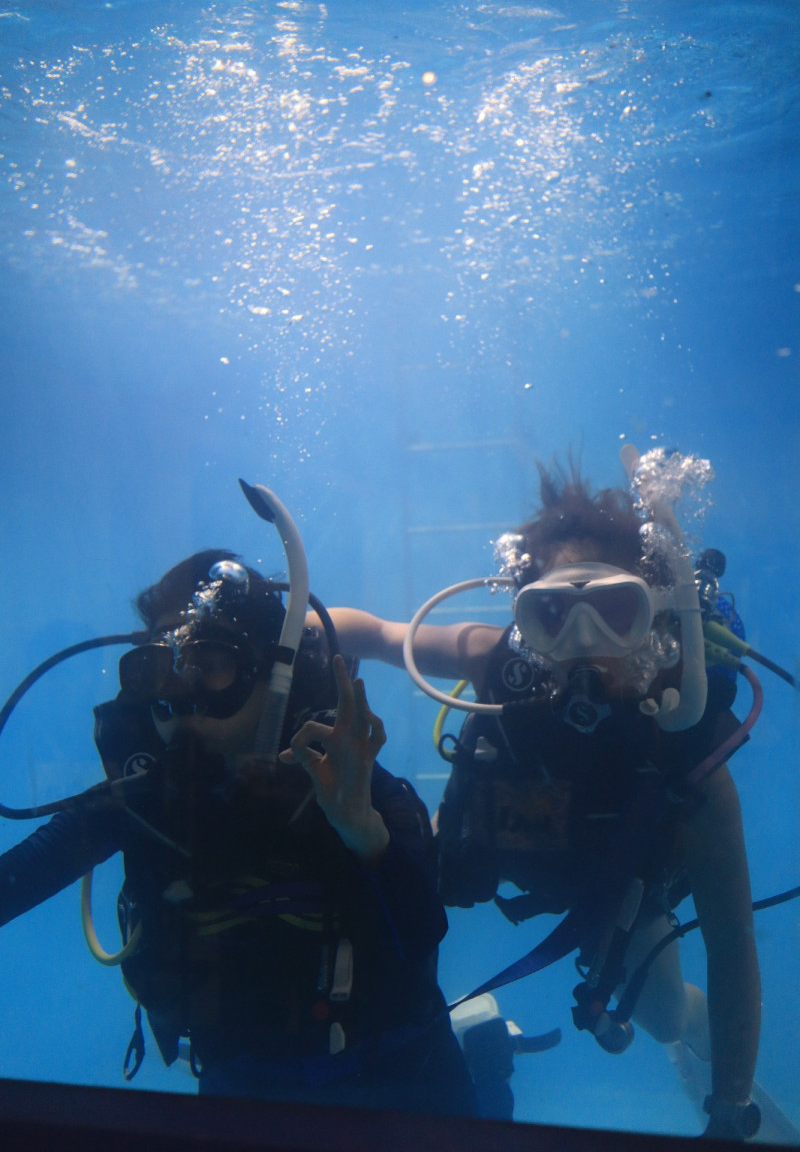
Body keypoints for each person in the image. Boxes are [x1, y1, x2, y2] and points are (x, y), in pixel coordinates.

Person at [318, 450, 763, 1140]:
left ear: (655, 616)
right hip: (501, 850)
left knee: (667, 1017)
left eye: (616, 610)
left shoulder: (685, 755)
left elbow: (733, 945)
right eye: (553, 613)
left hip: (622, 899)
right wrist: (291, 632)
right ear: (525, 620)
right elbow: (378, 634)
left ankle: (692, 1037)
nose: (584, 643)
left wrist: (730, 1108)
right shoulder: (499, 662)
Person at [0, 547, 477, 1117]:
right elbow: (19, 878)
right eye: (162, 666)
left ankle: (491, 1051)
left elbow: (420, 934)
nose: (181, 691)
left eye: (209, 661)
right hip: (237, 1091)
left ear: (274, 671)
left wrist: (362, 833)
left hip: (401, 1084)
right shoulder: (146, 799)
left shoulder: (352, 788)